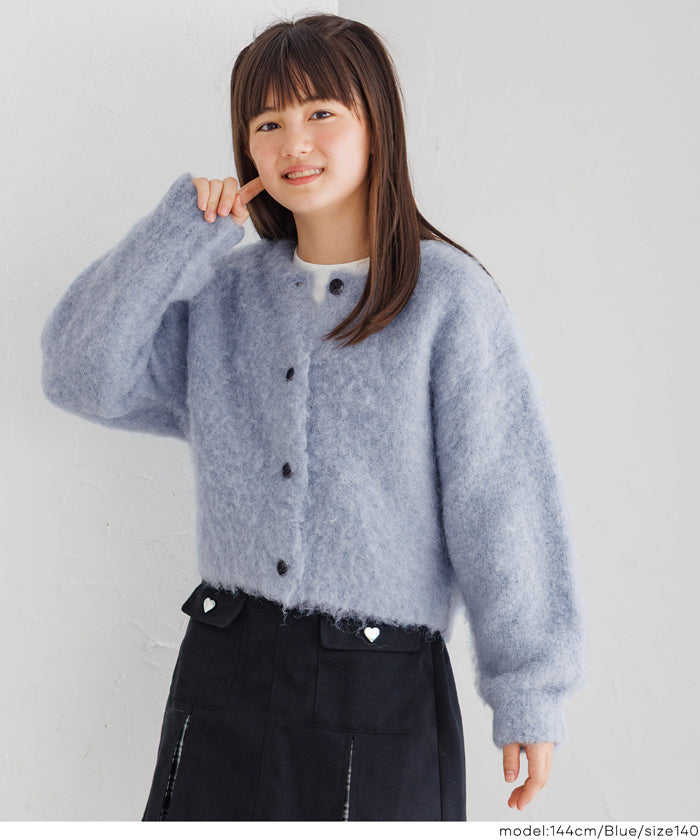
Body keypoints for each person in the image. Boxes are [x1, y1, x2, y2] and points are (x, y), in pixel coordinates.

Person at [39, 12, 587, 821]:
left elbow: (502, 500)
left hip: (380, 686)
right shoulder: (225, 297)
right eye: (267, 123)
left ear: (377, 123)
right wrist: (176, 236)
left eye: (321, 112)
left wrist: (530, 691)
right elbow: (79, 376)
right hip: (223, 671)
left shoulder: (447, 300)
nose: (294, 142)